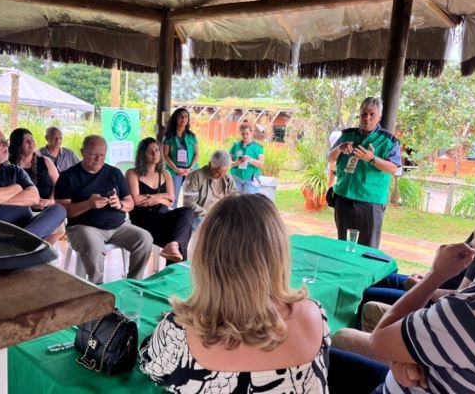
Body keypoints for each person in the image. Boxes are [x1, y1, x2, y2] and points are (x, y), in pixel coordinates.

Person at [328, 174, 475, 394]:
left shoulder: (470, 313)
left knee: (331, 343)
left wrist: (436, 275)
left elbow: (378, 342)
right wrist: (402, 360)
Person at [140, 194, 330, 393]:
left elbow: (152, 368)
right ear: (277, 253)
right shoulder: (315, 314)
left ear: (205, 256)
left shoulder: (179, 328)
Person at [350, 171, 475, 333]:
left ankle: (362, 340)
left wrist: (428, 284)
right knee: (378, 280)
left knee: (368, 296)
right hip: (438, 286)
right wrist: (428, 277)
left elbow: (460, 296)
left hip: (435, 300)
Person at [54, 135, 152, 284]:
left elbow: (130, 203)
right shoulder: (68, 176)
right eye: (93, 155)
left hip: (118, 227)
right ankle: (98, 287)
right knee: (93, 245)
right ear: (82, 152)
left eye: (102, 155)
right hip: (83, 227)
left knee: (145, 238)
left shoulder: (114, 173)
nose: (98, 159)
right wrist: (88, 204)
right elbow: (61, 211)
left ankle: (133, 284)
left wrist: (119, 204)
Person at [328, 97, 401, 248]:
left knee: (367, 248)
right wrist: (339, 148)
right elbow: (330, 158)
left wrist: (372, 159)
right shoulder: (347, 135)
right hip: (343, 197)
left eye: (371, 114)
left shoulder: (388, 140)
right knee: (343, 245)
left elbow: (394, 168)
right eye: (363, 114)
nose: (367, 118)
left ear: (379, 117)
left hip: (370, 202)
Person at [0, 125, 65, 240]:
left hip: (28, 226)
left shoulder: (14, 170)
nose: (5, 144)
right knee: (41, 247)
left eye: (5, 141)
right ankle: (23, 246)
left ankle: (20, 243)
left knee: (59, 210)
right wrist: (16, 188)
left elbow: (33, 198)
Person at [126, 137, 194, 263]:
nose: (155, 153)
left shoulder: (165, 174)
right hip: (143, 221)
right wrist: (162, 198)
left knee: (187, 212)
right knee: (181, 235)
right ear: (142, 154)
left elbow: (171, 199)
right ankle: (173, 259)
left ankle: (173, 246)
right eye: (150, 151)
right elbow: (136, 200)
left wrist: (154, 199)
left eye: (157, 150)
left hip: (162, 218)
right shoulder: (132, 173)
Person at [8, 128, 65, 244]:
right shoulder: (9, 165)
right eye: (26, 141)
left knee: (59, 216)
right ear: (17, 144)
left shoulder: (45, 161)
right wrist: (30, 202)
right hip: (21, 211)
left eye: (32, 139)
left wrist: (51, 200)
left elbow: (59, 184)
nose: (31, 142)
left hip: (45, 209)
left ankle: (30, 248)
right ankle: (27, 248)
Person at [182, 149, 236, 230]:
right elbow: (189, 204)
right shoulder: (195, 177)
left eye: (224, 172)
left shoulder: (227, 177)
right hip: (200, 216)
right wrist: (209, 215)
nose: (221, 175)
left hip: (220, 216)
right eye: (218, 172)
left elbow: (234, 197)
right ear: (210, 165)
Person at [162, 108, 198, 208]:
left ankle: (187, 218)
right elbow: (165, 155)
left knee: (190, 198)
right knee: (173, 198)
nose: (184, 119)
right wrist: (176, 169)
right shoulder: (169, 136)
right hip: (174, 171)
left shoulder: (192, 136)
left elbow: (196, 154)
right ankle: (172, 219)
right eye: (181, 116)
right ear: (176, 119)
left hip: (189, 171)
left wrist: (191, 168)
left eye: (186, 117)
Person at [229, 121, 264, 194]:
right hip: (236, 177)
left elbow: (261, 164)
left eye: (247, 133)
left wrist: (250, 160)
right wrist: (236, 163)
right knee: (235, 200)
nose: (245, 136)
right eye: (243, 134)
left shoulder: (257, 147)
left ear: (251, 133)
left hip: (250, 178)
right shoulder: (235, 146)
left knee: (248, 202)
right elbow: (228, 163)